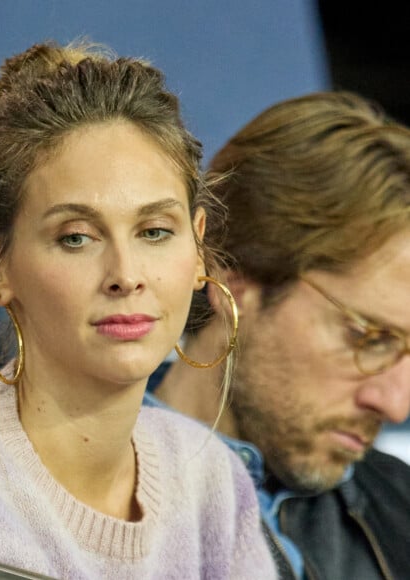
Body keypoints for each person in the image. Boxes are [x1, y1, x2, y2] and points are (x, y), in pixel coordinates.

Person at [0, 42, 276, 579]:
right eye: (76, 238)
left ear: (198, 247)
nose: (126, 274)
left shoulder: (211, 476)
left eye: (155, 231)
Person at [149, 91, 410, 580]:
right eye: (368, 338)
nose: (396, 405)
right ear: (234, 279)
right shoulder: (37, 500)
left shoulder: (400, 506)